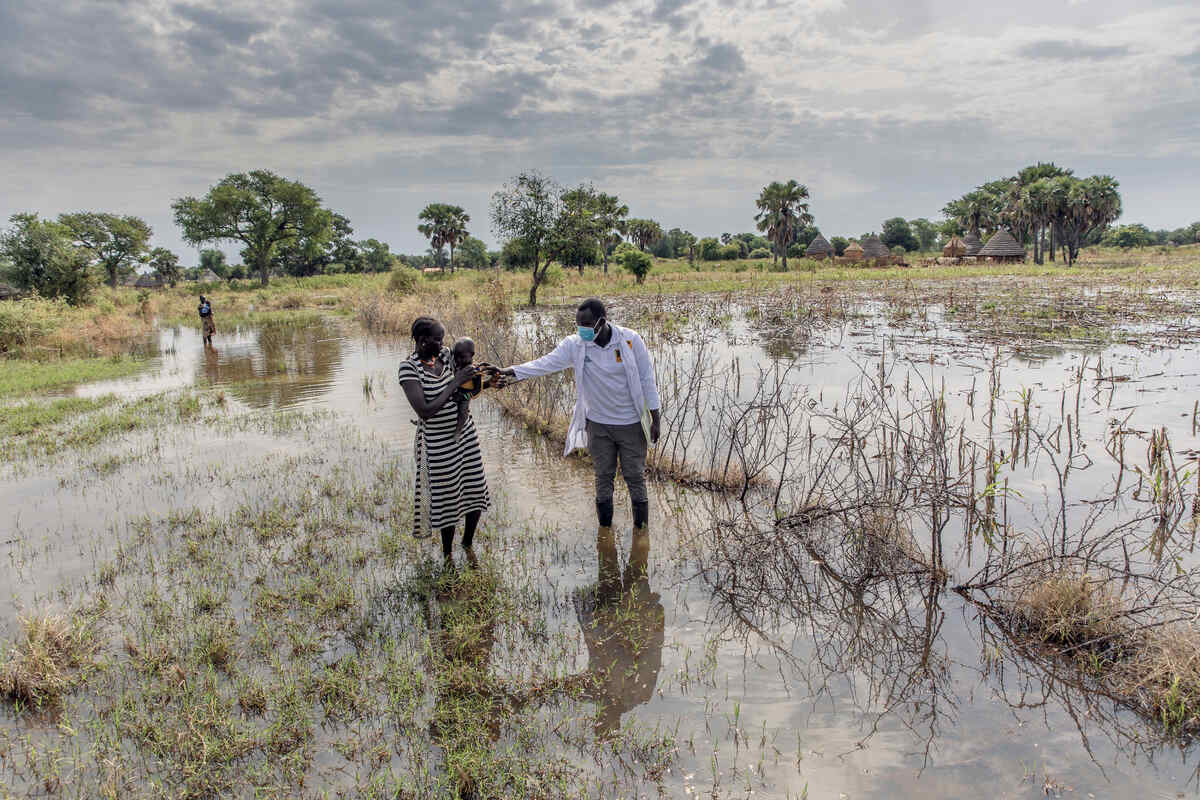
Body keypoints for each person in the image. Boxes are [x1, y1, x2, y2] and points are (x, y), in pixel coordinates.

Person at [497, 298, 662, 530]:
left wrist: (655, 418)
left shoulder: (630, 340)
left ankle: (641, 535)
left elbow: (647, 379)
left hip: (630, 424)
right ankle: (605, 535)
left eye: (586, 324)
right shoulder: (575, 345)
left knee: (635, 478)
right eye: (578, 325)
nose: (581, 330)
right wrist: (511, 372)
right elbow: (545, 363)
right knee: (603, 478)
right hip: (598, 424)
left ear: (601, 322)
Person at [398, 317, 491, 560]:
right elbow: (425, 411)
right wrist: (454, 383)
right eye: (437, 340)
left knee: (474, 489)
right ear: (421, 340)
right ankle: (448, 553)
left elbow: (468, 375)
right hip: (437, 443)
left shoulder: (446, 356)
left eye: (442, 339)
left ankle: (468, 544)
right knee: (447, 499)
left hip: (466, 437)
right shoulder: (409, 368)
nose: (442, 344)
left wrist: (484, 376)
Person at [451, 337, 491, 442]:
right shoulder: (456, 365)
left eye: (463, 357)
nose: (459, 360)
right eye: (457, 357)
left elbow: (477, 390)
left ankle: (458, 431)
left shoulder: (475, 371)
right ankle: (424, 421)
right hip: (454, 390)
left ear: (472, 355)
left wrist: (464, 396)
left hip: (465, 394)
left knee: (463, 412)